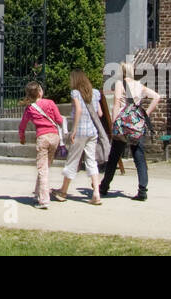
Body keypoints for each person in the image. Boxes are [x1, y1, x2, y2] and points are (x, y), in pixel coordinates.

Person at [99, 62, 161, 201]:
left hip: (123, 125)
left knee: (114, 156)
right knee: (139, 157)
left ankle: (104, 186)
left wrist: (115, 123)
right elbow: (157, 97)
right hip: (136, 126)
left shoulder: (120, 84)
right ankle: (142, 190)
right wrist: (146, 114)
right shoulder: (139, 85)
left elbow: (116, 104)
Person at [55, 69, 106, 205]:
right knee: (91, 161)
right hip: (92, 132)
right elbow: (100, 114)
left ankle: (63, 191)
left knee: (72, 160)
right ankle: (96, 193)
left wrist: (74, 129)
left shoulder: (75, 93)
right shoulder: (95, 93)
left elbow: (78, 110)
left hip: (80, 132)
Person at [17, 81, 66, 209]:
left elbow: (22, 125)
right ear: (40, 92)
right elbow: (59, 120)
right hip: (54, 137)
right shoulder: (50, 103)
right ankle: (38, 193)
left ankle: (44, 200)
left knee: (42, 168)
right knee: (45, 166)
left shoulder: (30, 108)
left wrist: (22, 137)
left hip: (42, 137)